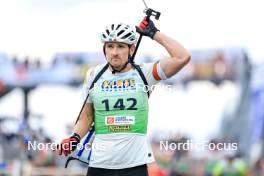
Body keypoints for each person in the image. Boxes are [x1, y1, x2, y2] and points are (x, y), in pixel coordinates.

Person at [57, 17, 191, 176]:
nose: (114, 52)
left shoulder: (145, 73)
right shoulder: (94, 75)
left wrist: (155, 34)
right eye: (110, 46)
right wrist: (74, 138)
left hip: (134, 167)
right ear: (104, 48)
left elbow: (182, 57)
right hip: (99, 166)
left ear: (132, 49)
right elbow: (86, 116)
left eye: (120, 46)